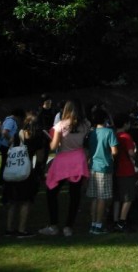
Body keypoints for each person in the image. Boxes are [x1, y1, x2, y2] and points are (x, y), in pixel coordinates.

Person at [40, 99, 91, 237]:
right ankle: (69, 226)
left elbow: (53, 146)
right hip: (78, 159)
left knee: (51, 192)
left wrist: (50, 138)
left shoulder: (60, 126)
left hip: (63, 160)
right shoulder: (86, 124)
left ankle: (53, 225)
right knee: (74, 195)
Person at [86, 108, 119, 235]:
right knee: (102, 198)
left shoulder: (92, 133)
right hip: (104, 167)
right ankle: (99, 225)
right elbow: (114, 151)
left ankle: (93, 224)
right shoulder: (109, 132)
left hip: (93, 166)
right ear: (105, 119)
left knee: (94, 197)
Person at [112, 114, 137, 232]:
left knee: (117, 197)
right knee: (128, 197)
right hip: (126, 168)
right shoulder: (126, 137)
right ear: (125, 124)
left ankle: (115, 220)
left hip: (115, 168)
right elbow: (131, 153)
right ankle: (122, 221)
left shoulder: (114, 136)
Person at [0, 107, 24, 188]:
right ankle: (2, 182)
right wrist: (10, 139)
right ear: (18, 116)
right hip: (6, 146)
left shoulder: (9, 120)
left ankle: (4, 181)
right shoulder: (11, 121)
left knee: (5, 163)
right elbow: (5, 132)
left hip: (6, 145)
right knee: (5, 163)